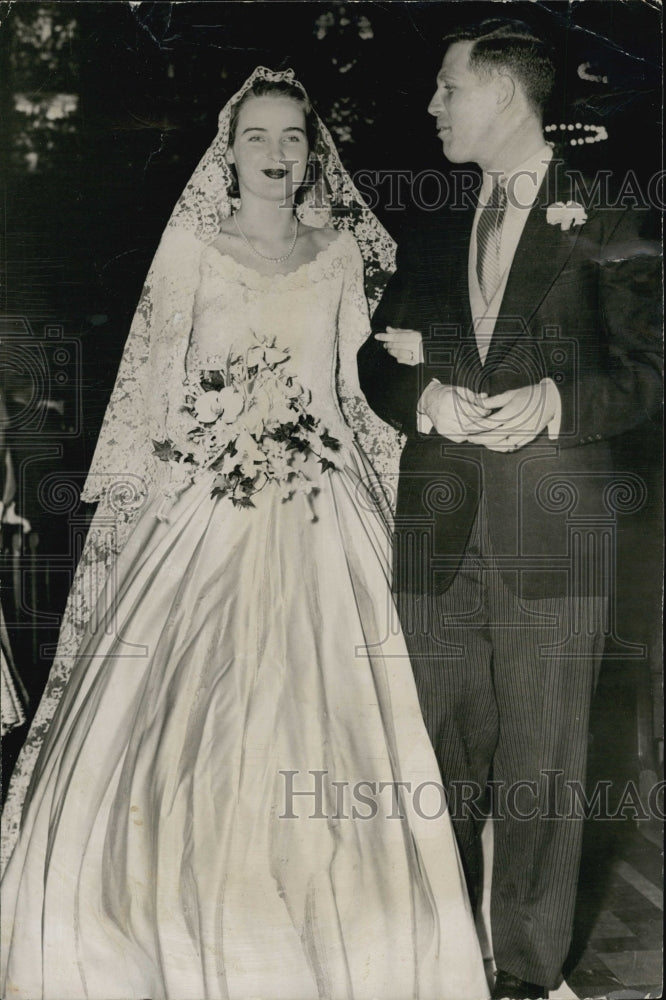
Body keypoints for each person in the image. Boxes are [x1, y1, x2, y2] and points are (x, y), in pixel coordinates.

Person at [0, 68, 489, 1000]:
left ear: (314, 154)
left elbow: (355, 389)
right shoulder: (193, 249)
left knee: (346, 707)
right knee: (186, 711)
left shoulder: (344, 250)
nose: (277, 153)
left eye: (293, 138)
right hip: (203, 503)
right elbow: (156, 384)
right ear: (228, 151)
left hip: (322, 501)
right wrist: (168, 473)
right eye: (258, 136)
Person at [358, 19, 662, 1000]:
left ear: (500, 96)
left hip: (555, 527)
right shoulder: (437, 216)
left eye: (449, 88)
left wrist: (560, 404)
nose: (435, 105)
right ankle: (438, 953)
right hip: (438, 528)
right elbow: (375, 350)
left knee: (545, 756)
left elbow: (651, 367)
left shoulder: (611, 213)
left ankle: (524, 972)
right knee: (432, 755)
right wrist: (424, 399)